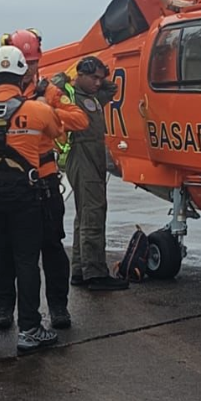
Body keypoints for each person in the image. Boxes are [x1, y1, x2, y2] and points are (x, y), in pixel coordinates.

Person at [0, 29, 88, 331]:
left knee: (50, 246)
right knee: (5, 252)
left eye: (34, 62)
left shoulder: (47, 91)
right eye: (25, 63)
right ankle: (4, 308)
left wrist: (44, 110)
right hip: (12, 186)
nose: (30, 68)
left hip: (44, 181)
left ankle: (57, 307)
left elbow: (78, 118)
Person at [52, 56, 125, 291]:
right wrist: (69, 74)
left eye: (99, 78)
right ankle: (95, 273)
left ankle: (80, 270)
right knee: (93, 213)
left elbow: (112, 89)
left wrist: (102, 75)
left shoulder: (92, 97)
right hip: (82, 155)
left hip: (93, 157)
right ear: (80, 75)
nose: (97, 82)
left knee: (84, 215)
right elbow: (54, 87)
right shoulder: (71, 97)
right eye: (92, 77)